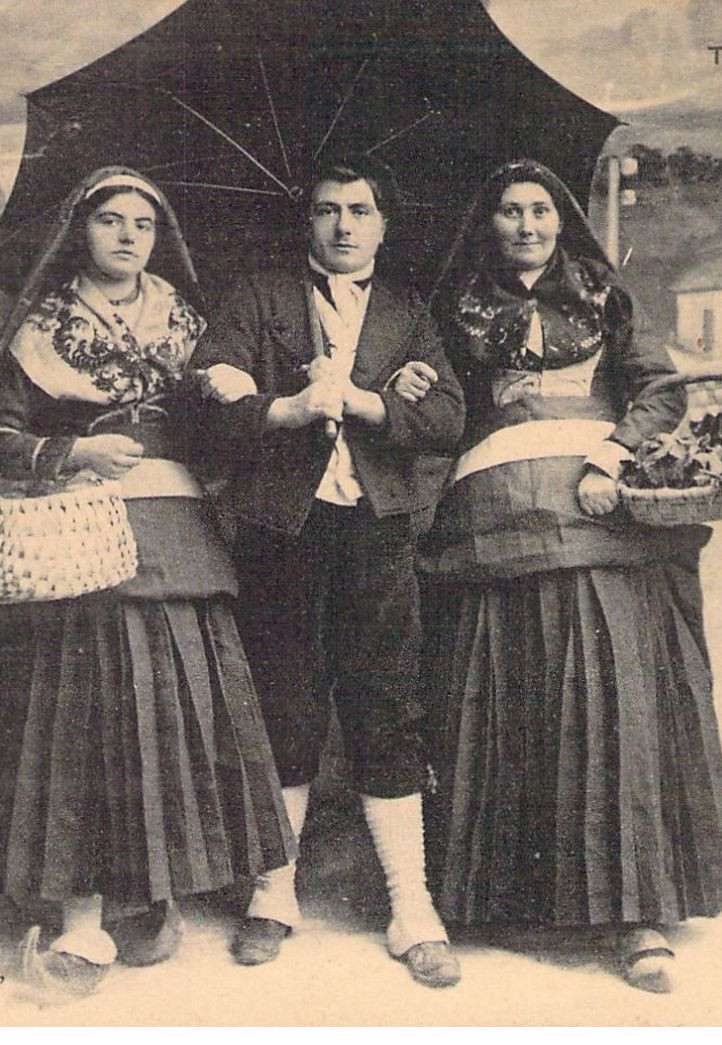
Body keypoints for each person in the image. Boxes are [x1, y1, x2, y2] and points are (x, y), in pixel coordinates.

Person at [406, 159, 722, 993]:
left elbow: (657, 389)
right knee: (505, 692)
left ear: (561, 220)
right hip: (490, 505)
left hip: (594, 499)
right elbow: (443, 409)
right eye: (508, 212)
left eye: (539, 211)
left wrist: (611, 454)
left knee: (613, 696)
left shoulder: (601, 293)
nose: (525, 226)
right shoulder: (454, 309)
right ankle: (503, 896)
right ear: (488, 224)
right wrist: (420, 385)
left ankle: (635, 911)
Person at [0, 167, 293, 997]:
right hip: (83, 532)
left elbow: (223, 429)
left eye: (141, 225)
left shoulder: (188, 322)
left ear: (159, 237)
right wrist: (70, 451)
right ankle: (80, 913)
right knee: (92, 708)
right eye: (109, 221)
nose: (125, 236)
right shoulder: (42, 325)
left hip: (178, 529)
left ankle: (153, 890)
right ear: (80, 231)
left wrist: (230, 408)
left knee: (180, 700)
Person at [188, 156, 467, 989]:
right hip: (281, 526)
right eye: (324, 210)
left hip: (376, 529)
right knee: (287, 699)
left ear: (383, 223)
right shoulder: (257, 297)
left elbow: (449, 414)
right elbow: (210, 394)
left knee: (387, 702)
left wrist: (373, 401)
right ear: (303, 222)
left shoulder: (408, 313)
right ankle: (274, 896)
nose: (342, 225)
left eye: (358, 210)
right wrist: (287, 405)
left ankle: (410, 909)